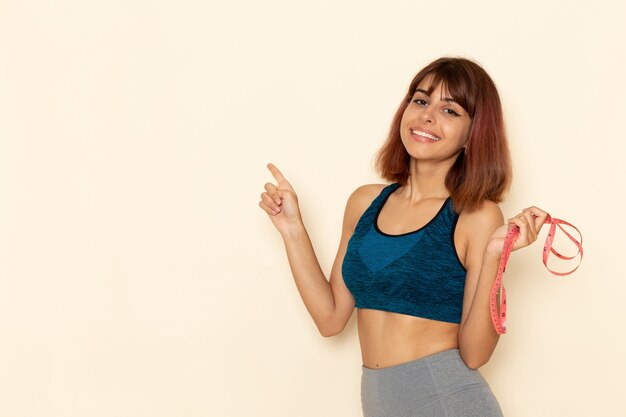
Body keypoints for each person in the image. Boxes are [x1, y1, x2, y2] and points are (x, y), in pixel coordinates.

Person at [258, 57, 548, 417]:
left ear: (474, 134)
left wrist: (493, 256)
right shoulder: (366, 203)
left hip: (448, 402)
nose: (427, 116)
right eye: (421, 101)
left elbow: (475, 354)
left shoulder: (474, 216)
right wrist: (292, 229)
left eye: (450, 110)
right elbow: (331, 319)